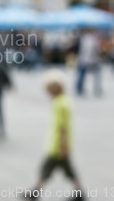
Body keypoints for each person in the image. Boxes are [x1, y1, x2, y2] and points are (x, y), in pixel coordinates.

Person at [25, 69, 84, 201]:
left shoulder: (60, 104)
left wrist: (63, 145)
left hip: (57, 145)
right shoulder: (63, 101)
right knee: (68, 170)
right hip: (58, 143)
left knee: (46, 168)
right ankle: (79, 192)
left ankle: (35, 191)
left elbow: (63, 127)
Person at [75, 28, 102, 97]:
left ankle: (80, 88)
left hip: (85, 59)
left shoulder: (83, 38)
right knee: (93, 75)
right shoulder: (92, 39)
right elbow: (95, 50)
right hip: (90, 59)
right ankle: (96, 88)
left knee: (82, 75)